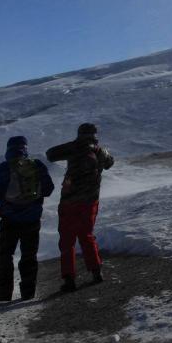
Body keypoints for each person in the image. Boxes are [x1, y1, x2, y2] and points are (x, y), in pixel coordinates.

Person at [0, 136, 54, 302]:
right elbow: (48, 189)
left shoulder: (4, 168)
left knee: (5, 255)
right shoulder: (37, 165)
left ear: (8, 149)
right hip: (32, 218)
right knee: (29, 255)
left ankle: (4, 292)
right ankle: (28, 292)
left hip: (9, 219)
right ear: (25, 148)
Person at [46, 122, 115, 293]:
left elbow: (50, 155)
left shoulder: (74, 147)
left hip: (70, 202)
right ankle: (96, 272)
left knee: (67, 241)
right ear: (95, 135)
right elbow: (109, 163)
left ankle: (69, 279)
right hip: (90, 202)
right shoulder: (100, 152)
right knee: (87, 235)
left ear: (79, 134)